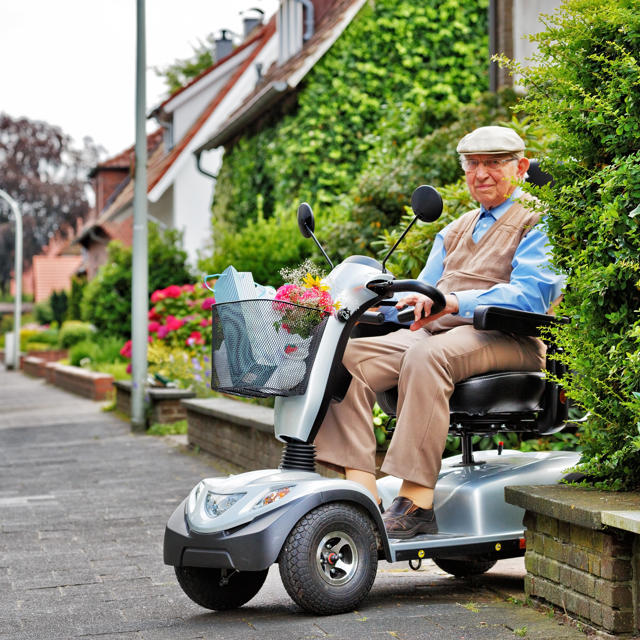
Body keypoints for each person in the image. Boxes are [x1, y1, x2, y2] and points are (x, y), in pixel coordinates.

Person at [314, 126, 564, 539]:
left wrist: (455, 302)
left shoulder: (538, 221)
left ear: (520, 167)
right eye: (473, 164)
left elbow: (532, 295)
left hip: (510, 338)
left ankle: (416, 501)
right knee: (344, 360)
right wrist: (360, 306)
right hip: (439, 334)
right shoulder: (453, 231)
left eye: (494, 163)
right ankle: (363, 495)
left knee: (427, 356)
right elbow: (418, 296)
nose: (481, 173)